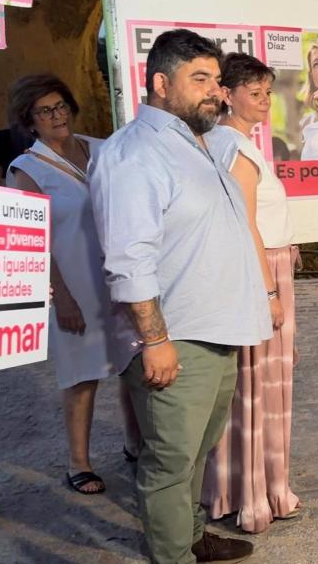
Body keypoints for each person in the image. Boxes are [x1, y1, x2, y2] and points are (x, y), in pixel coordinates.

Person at [89, 29, 272, 563]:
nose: (214, 91)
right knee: (169, 462)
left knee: (193, 455)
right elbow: (128, 258)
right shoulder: (134, 154)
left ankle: (191, 535)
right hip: (175, 338)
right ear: (161, 83)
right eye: (200, 79)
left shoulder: (199, 142)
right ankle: (172, 555)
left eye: (216, 80)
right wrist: (155, 340)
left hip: (214, 332)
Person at [4, 74, 140, 495]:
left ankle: (135, 446)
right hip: (72, 284)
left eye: (60, 105)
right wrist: (61, 296)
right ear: (30, 121)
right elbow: (33, 243)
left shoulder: (100, 148)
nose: (56, 115)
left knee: (129, 364)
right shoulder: (25, 169)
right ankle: (77, 462)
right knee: (81, 376)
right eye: (45, 111)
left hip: (115, 277)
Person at [202, 53, 302, 533]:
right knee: (259, 388)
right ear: (227, 95)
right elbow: (244, 223)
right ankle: (257, 493)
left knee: (251, 387)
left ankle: (247, 487)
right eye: (255, 93)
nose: (264, 102)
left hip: (264, 268)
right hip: (259, 276)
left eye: (267, 93)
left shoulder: (232, 142)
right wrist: (268, 292)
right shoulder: (233, 146)